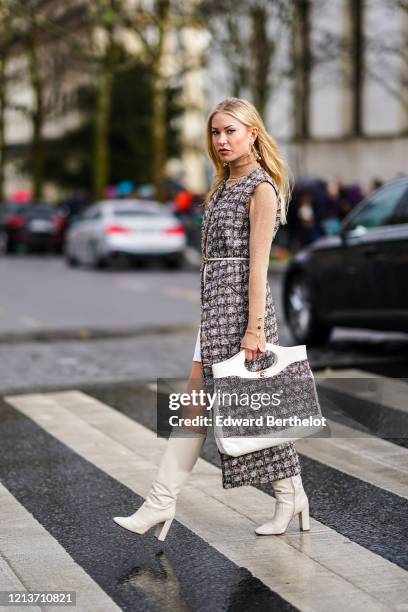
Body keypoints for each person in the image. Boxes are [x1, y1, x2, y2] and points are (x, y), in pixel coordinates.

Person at [113, 97, 310, 541]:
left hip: (243, 313)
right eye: (216, 133)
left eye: (230, 132)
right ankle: (162, 503)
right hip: (216, 312)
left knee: (252, 412)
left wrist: (254, 329)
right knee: (213, 407)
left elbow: (258, 266)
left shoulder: (260, 188)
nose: (221, 140)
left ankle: (285, 496)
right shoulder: (221, 186)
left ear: (252, 134)